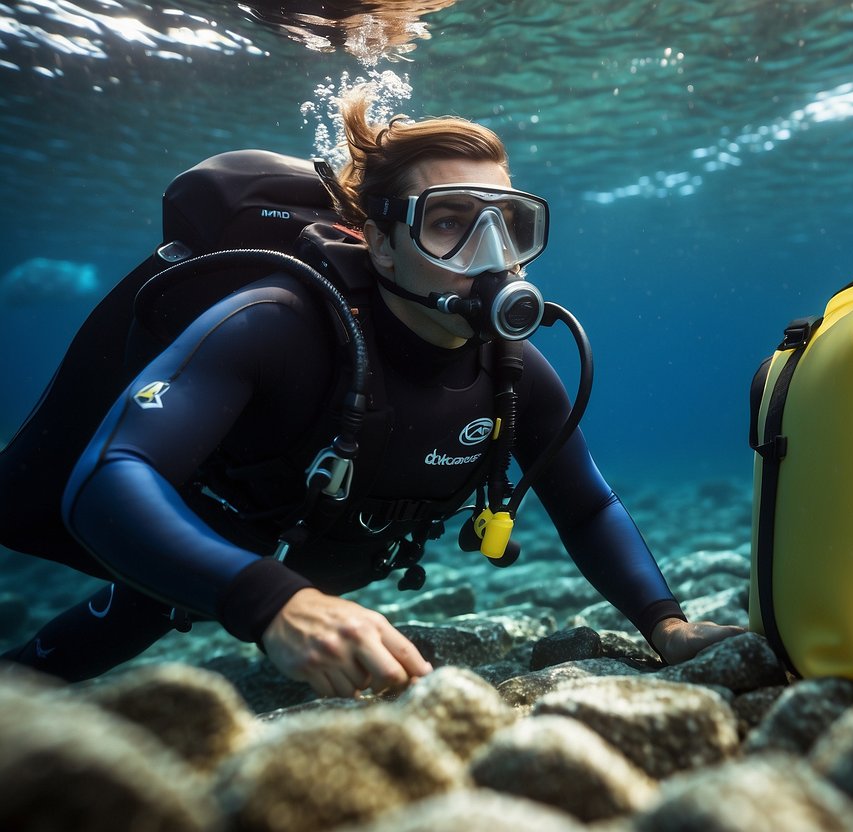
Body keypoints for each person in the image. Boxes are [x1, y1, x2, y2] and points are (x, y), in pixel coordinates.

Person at [2, 91, 744, 697]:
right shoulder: (275, 323)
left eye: (508, 224)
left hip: (322, 554)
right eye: (448, 223)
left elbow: (587, 504)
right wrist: (271, 600)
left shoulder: (512, 370)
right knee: (128, 617)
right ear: (380, 243)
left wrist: (666, 625)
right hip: (228, 546)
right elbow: (109, 479)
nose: (491, 258)